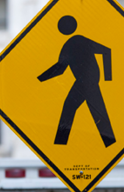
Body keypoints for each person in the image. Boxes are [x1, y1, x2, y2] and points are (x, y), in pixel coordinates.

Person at [38, 15, 116, 147]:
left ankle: (60, 143)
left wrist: (108, 78)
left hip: (87, 82)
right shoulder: (70, 44)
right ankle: (109, 143)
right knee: (94, 111)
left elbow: (106, 51)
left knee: (70, 108)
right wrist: (40, 79)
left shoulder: (76, 41)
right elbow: (61, 68)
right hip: (84, 81)